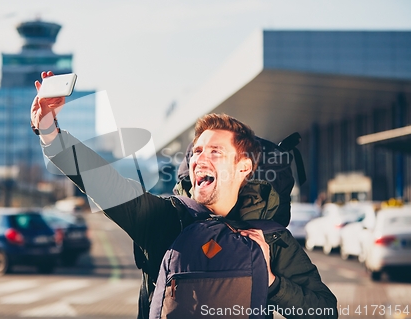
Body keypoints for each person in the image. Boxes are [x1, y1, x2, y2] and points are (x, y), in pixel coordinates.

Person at [31, 71, 338, 319]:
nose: (199, 159)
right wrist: (50, 132)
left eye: (216, 151)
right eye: (197, 152)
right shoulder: (163, 219)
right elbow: (103, 181)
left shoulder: (268, 237)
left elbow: (325, 311)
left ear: (243, 166)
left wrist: (271, 281)